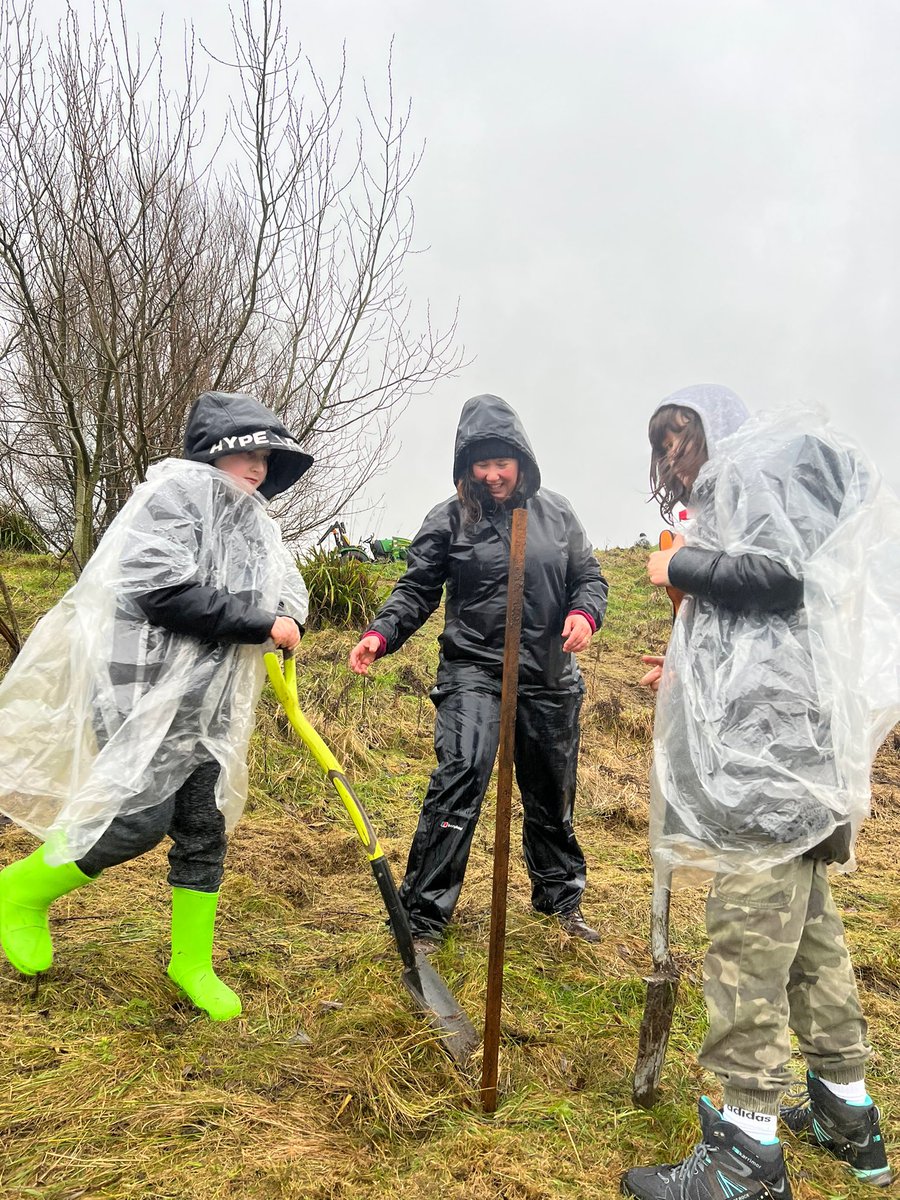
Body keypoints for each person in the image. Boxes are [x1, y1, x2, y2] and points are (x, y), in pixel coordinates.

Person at [623, 384, 900, 1200]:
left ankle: (746, 1153)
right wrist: (687, 673)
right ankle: (849, 1116)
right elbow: (770, 626)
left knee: (747, 933)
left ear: (720, 429)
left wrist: (677, 564)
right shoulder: (768, 491)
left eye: (681, 436)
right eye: (663, 444)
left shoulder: (749, 479)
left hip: (767, 773)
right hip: (800, 753)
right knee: (813, 939)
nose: (673, 456)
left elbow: (775, 579)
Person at [0, 391, 313, 1021]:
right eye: (245, 453)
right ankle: (20, 892)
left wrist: (288, 619)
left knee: (205, 824)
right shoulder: (170, 498)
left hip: (213, 697)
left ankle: (191, 960)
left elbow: (286, 590)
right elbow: (162, 589)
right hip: (139, 687)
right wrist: (261, 623)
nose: (256, 467)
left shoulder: (257, 524)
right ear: (214, 455)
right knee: (138, 817)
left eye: (265, 457)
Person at [348, 393, 608, 949]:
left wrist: (584, 615)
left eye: (502, 463)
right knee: (459, 778)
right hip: (474, 671)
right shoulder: (447, 518)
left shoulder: (558, 514)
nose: (492, 475)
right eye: (481, 464)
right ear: (466, 466)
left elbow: (590, 578)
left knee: (551, 794)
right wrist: (380, 634)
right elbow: (415, 589)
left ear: (522, 461)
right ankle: (422, 920)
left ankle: (561, 903)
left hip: (548, 674)